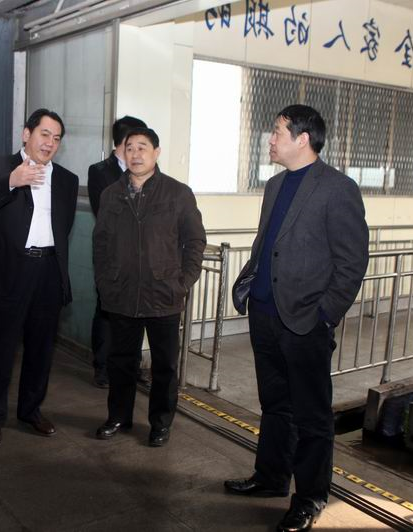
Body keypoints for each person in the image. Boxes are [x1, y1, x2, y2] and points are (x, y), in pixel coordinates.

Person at [224, 105, 369, 532]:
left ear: (302, 138)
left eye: (277, 132)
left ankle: (309, 497)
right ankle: (270, 478)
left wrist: (325, 314)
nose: (270, 139)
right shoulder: (274, 185)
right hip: (265, 315)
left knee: (312, 416)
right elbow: (267, 244)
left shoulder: (337, 188)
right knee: (275, 405)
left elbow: (352, 261)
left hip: (306, 321)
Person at [0, 109, 78, 447]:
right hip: (8, 271)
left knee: (41, 349)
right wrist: (11, 182)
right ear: (26, 134)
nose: (50, 143)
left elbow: (63, 227)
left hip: (48, 271)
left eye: (56, 138)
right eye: (44, 134)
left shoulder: (67, 180)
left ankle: (31, 410)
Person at [93, 127, 206, 447]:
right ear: (122, 153)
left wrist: (182, 282)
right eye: (129, 148)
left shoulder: (178, 193)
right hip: (122, 294)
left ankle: (160, 423)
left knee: (165, 365)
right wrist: (105, 283)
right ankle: (118, 416)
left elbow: (195, 241)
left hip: (164, 295)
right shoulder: (111, 194)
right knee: (121, 362)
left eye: (143, 147)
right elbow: (100, 244)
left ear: (156, 152)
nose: (136, 154)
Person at [87, 115, 149, 389]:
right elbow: (104, 213)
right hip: (112, 256)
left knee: (137, 313)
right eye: (136, 142)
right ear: (124, 142)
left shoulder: (147, 170)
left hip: (141, 257)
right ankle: (102, 367)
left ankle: (132, 366)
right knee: (106, 312)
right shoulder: (100, 171)